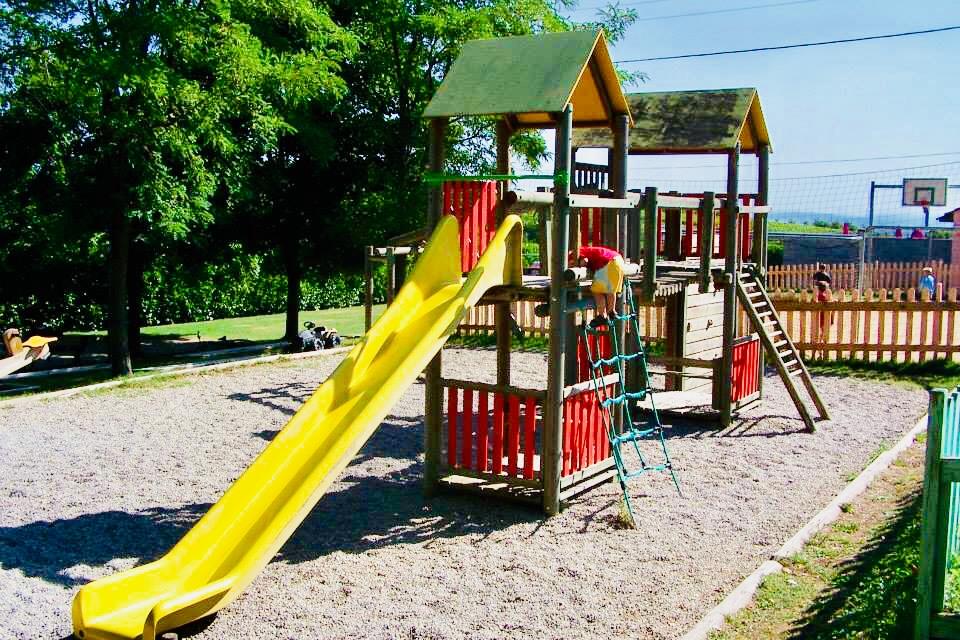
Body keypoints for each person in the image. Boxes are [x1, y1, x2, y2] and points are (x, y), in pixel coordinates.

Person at [576, 245, 626, 326]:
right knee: (611, 290)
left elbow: (585, 260)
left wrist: (576, 265)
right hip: (619, 261)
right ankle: (611, 311)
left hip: (609, 263)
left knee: (596, 290)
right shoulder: (585, 249)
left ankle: (602, 316)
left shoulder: (576, 252)